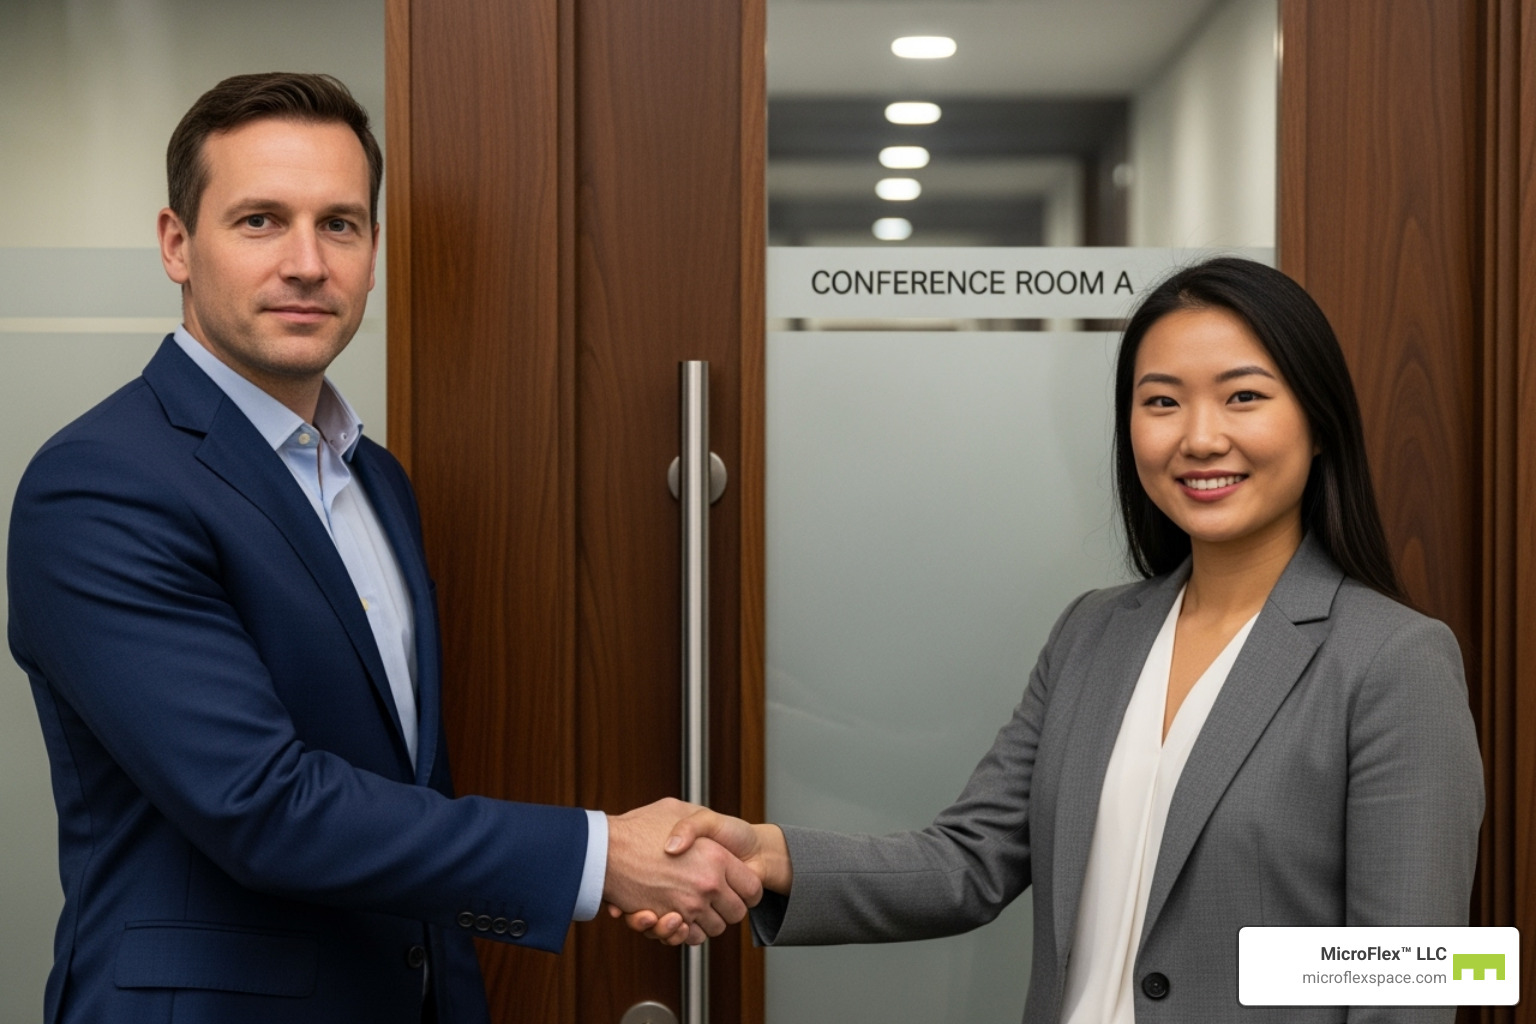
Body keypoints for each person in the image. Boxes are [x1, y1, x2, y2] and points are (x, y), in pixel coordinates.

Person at [7, 72, 758, 1024]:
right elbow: (260, 805)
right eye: (259, 221)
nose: (307, 263)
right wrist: (603, 859)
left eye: (342, 224)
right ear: (176, 244)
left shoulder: (375, 479)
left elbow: (402, 790)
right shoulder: (102, 482)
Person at [626, 257, 1485, 1023]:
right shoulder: (1095, 633)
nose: (1199, 437)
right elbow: (967, 862)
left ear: (1320, 421)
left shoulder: (1391, 660)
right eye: (1161, 402)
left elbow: (1408, 979)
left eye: (1244, 395)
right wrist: (762, 851)